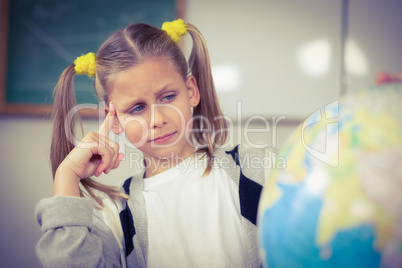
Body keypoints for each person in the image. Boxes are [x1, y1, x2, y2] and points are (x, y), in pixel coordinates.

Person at [35, 19, 269, 267]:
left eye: (168, 97)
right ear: (113, 119)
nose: (157, 119)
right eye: (136, 108)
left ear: (191, 91)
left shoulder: (258, 169)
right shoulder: (115, 216)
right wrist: (66, 175)